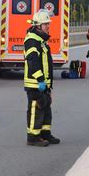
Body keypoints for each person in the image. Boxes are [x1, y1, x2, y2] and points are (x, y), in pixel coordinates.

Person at [24, 10, 60, 147]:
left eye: (48, 24)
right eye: (45, 24)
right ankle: (33, 137)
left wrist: (47, 84)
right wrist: (40, 80)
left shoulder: (41, 40)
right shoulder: (32, 40)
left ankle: (45, 134)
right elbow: (33, 61)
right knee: (36, 110)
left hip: (44, 83)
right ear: (38, 26)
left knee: (45, 109)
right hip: (35, 83)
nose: (48, 26)